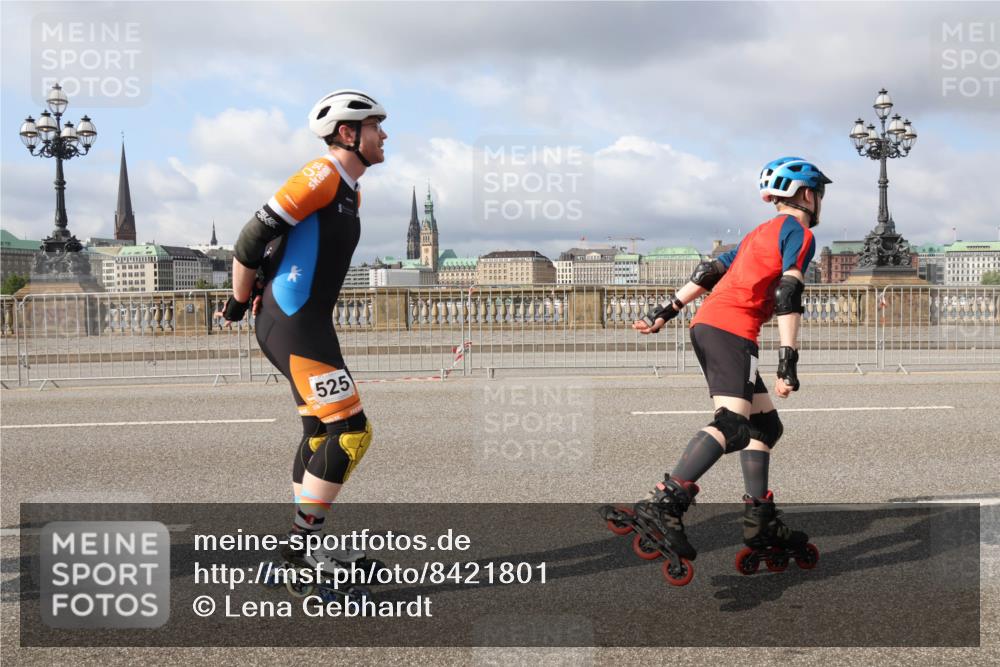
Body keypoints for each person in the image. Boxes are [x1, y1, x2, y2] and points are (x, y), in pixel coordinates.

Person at [631, 156, 830, 563]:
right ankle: (666, 502)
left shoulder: (760, 232)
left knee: (765, 426)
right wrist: (788, 359)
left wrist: (664, 311)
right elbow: (788, 293)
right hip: (731, 331)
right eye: (820, 194)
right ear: (809, 195)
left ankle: (761, 522)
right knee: (732, 426)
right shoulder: (799, 234)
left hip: (712, 326)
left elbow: (709, 271)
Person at [223, 90, 388, 572]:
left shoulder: (351, 189)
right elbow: (252, 237)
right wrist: (238, 301)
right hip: (294, 323)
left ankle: (306, 548)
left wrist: (263, 282)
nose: (384, 135)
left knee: (320, 432)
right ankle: (300, 549)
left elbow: (287, 241)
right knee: (351, 432)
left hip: (304, 321)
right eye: (376, 127)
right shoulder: (322, 174)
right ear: (347, 133)